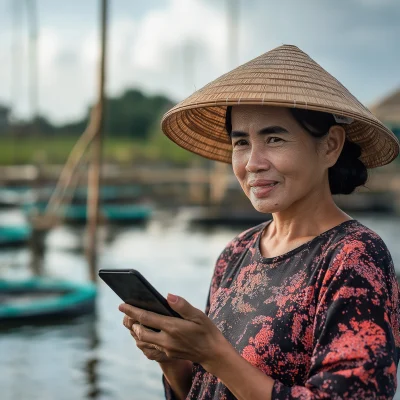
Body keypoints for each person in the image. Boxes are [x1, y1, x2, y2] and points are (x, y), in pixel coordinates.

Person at [119, 44, 400, 399]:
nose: (253, 162)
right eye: (241, 142)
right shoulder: (235, 253)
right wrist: (175, 359)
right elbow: (208, 389)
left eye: (274, 139)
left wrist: (214, 353)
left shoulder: (354, 257)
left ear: (330, 145)